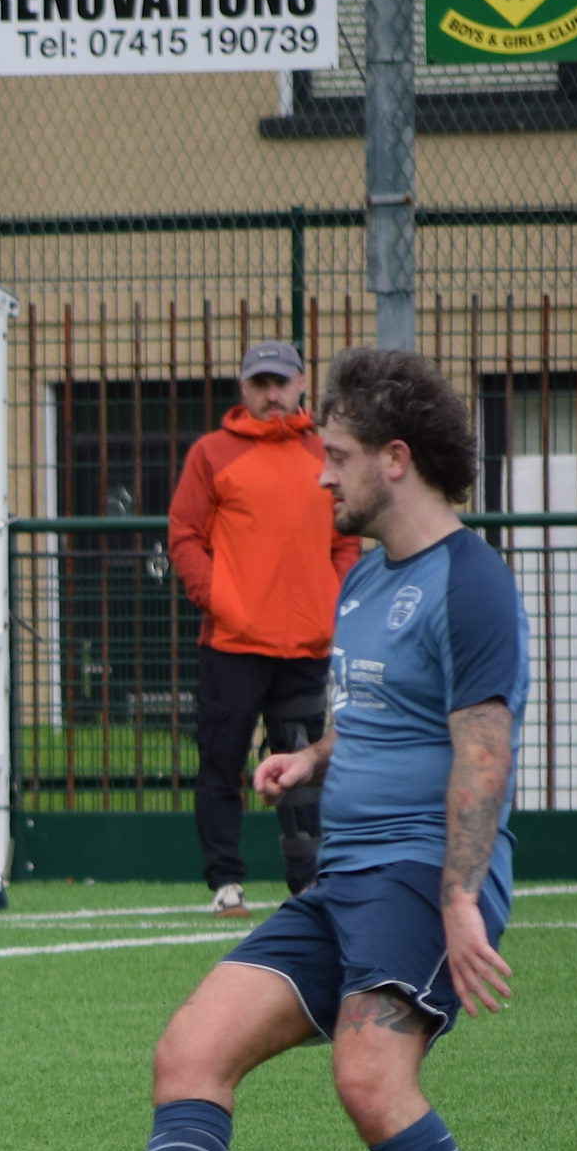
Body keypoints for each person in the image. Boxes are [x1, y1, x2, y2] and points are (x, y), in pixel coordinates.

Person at [4, 348, 531, 1151]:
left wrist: (460, 899)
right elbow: (382, 703)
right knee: (191, 1048)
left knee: (370, 1076)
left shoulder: (469, 582)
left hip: (419, 877)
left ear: (394, 458)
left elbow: (483, 747)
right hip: (345, 881)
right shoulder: (368, 578)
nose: (317, 474)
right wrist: (312, 755)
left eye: (332, 456)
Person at [169, 339, 360, 917]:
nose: (272, 394)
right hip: (232, 642)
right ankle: (225, 882)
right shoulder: (210, 453)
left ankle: (308, 884)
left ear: (302, 383)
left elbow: (346, 536)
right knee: (221, 762)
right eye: (260, 383)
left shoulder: (325, 452)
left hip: (306, 641)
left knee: (304, 768)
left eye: (281, 381)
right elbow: (184, 535)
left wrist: (333, 602)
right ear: (243, 388)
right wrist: (220, 599)